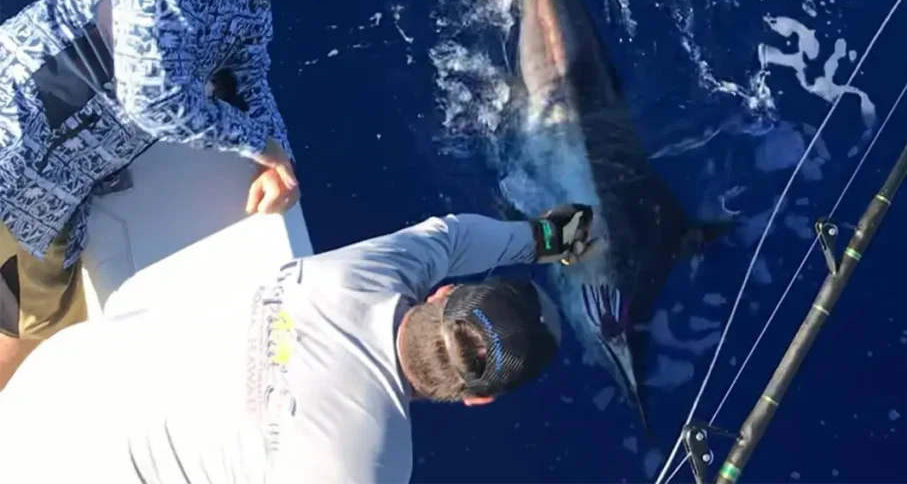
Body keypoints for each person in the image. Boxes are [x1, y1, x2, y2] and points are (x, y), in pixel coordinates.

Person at [0, 0, 352, 389]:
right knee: (31, 322)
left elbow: (249, 71)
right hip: (14, 145)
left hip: (58, 187)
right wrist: (256, 143)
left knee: (37, 322)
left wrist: (279, 156)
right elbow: (151, 99)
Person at [0, 202, 597, 483]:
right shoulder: (373, 465)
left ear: (439, 295)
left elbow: (453, 234)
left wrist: (548, 235)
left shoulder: (368, 273)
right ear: (477, 400)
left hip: (43, 387)